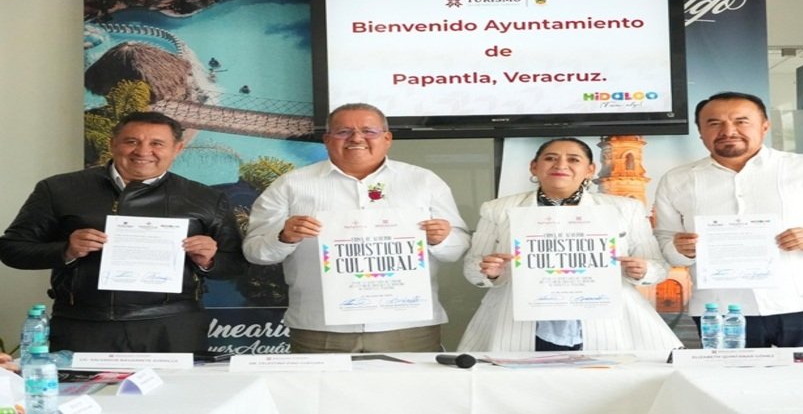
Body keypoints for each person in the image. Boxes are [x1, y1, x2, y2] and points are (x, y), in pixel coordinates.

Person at [0, 111, 246, 353]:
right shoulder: (58, 189)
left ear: (177, 149)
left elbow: (235, 263)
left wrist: (208, 260)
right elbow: (12, 249)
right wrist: (66, 250)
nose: (143, 151)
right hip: (84, 324)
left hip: (172, 326)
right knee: (78, 383)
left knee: (176, 383)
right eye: (132, 141)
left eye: (157, 144)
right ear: (112, 144)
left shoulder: (206, 198)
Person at [653, 91, 803, 348]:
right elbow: (665, 241)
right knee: (730, 376)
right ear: (700, 131)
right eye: (714, 123)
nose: (728, 131)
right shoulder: (677, 180)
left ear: (765, 126)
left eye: (741, 121)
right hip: (721, 310)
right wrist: (682, 250)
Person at [242, 103, 470, 353]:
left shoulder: (424, 182)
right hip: (321, 327)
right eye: (343, 132)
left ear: (387, 138)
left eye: (368, 131)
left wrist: (442, 238)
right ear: (327, 140)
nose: (357, 138)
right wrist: (284, 237)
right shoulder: (290, 185)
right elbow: (255, 252)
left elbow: (457, 248)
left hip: (408, 326)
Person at [457, 138, 682, 352]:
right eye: (550, 158)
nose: (561, 165)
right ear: (534, 167)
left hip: (607, 324)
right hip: (517, 323)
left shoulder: (625, 209)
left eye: (574, 159)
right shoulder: (498, 209)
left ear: (590, 170)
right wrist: (490, 271)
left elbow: (658, 267)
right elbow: (472, 267)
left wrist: (642, 270)